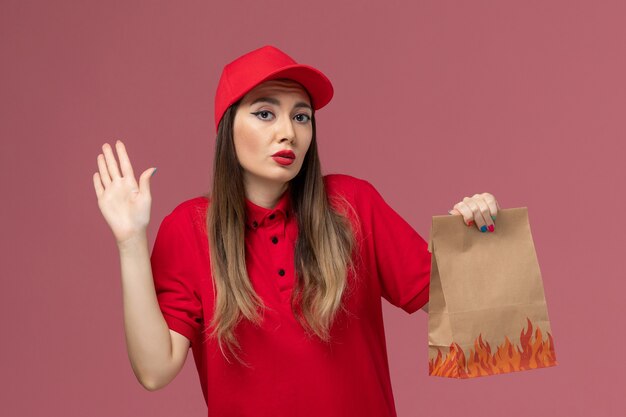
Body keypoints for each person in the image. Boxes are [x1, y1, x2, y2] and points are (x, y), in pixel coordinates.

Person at [93, 45, 502, 417]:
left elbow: (469, 317)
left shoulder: (353, 205)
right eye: (265, 113)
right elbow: (154, 370)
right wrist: (130, 242)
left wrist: (478, 235)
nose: (288, 131)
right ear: (226, 127)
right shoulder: (188, 229)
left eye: (301, 116)